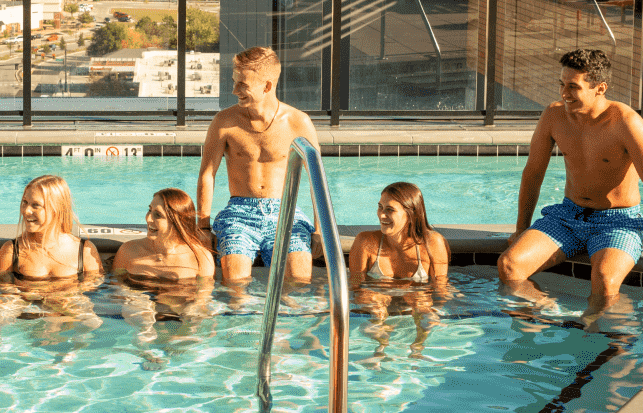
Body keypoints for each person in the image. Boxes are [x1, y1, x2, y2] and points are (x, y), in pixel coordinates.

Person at [498, 49, 643, 306]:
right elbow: (532, 174)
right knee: (509, 265)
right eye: (562, 85)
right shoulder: (554, 116)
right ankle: (549, 312)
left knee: (605, 282)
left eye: (573, 87)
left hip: (618, 222)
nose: (564, 94)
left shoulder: (626, 122)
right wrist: (521, 227)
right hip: (567, 216)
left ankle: (598, 335)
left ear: (600, 88)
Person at [197, 46, 321, 282]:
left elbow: (317, 178)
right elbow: (207, 174)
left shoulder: (298, 122)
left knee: (299, 281)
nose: (234, 91)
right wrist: (203, 227)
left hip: (286, 211)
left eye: (242, 85)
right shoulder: (224, 121)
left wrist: (320, 230)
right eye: (234, 82)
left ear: (266, 86)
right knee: (234, 283)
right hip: (239, 213)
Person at [0, 175, 104, 280]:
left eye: (36, 205)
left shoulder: (84, 250)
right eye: (25, 202)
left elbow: (94, 288)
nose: (26, 211)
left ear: (57, 209)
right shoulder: (13, 250)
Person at [349, 182, 450, 284]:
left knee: (421, 299)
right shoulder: (365, 242)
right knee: (371, 297)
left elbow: (441, 288)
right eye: (380, 207)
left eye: (390, 209)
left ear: (411, 215)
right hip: (376, 297)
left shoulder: (433, 243)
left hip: (417, 297)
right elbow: (355, 286)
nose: (382, 215)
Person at [113, 188, 216, 281]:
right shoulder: (128, 250)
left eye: (158, 215)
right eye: (149, 210)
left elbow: (203, 297)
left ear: (178, 222)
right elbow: (115, 285)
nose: (148, 218)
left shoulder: (201, 258)